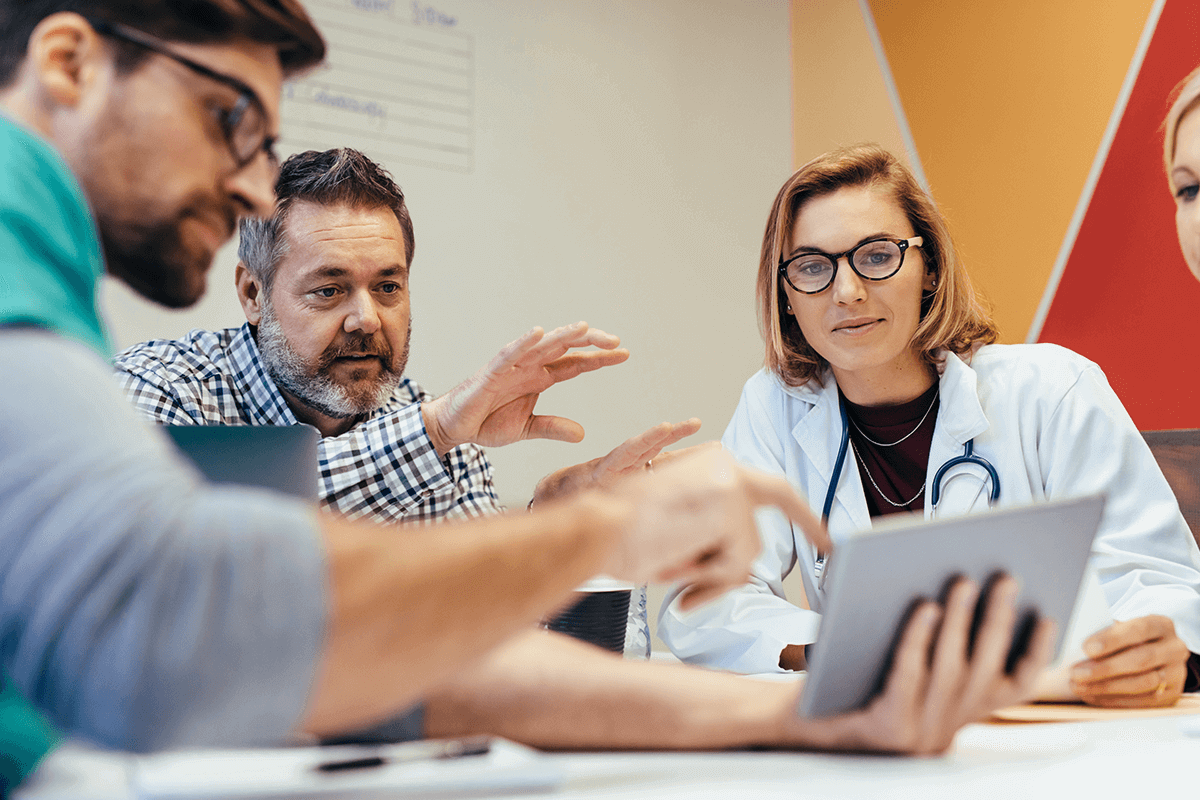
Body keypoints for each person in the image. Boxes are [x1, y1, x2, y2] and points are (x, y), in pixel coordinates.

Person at [0, 2, 1051, 787]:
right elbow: (198, 605)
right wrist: (587, 530)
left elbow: (433, 653)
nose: (244, 181)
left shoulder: (51, 285)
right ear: (67, 61)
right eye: (229, 119)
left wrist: (810, 718)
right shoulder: (49, 289)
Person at [659, 143, 1200, 709]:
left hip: (1055, 729)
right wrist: (845, 651)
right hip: (878, 742)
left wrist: (1149, 650)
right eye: (813, 268)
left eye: (876, 255)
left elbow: (1161, 584)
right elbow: (706, 600)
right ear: (787, 296)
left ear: (929, 269)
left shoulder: (1052, 390)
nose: (846, 292)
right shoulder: (775, 406)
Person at [112, 146, 701, 531]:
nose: (366, 319)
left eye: (388, 287)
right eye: (329, 290)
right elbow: (193, 562)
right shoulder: (159, 392)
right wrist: (435, 431)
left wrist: (556, 515)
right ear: (251, 294)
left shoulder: (427, 418)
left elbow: (480, 617)